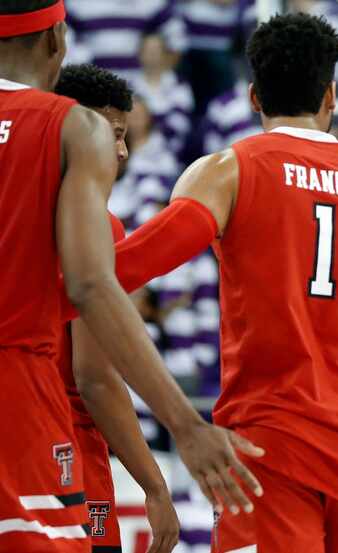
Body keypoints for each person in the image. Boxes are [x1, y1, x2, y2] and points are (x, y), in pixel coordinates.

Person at [61, 12, 338, 552]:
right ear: (331, 95)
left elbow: (124, 269)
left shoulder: (225, 172)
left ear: (253, 97)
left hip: (265, 448)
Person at [0, 5, 261, 551]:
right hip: (25, 407)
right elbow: (93, 299)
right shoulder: (67, 130)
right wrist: (184, 428)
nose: (120, 150)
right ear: (57, 38)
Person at [54, 63, 179, 553]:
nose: (123, 150)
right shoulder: (98, 227)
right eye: (115, 134)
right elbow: (95, 377)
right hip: (65, 449)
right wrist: (154, 484)